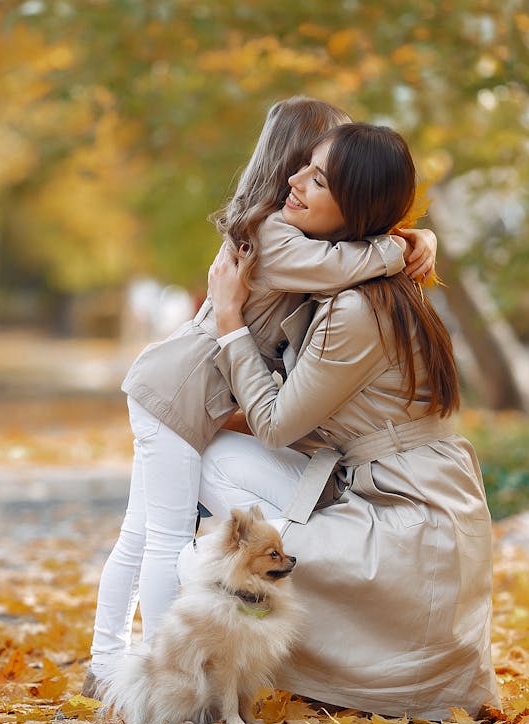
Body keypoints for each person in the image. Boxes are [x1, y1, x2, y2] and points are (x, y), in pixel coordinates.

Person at [85, 97, 439, 693]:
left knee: (141, 533)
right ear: (297, 163)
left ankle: (103, 664)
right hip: (180, 392)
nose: (317, 179)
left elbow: (337, 253)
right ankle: (152, 674)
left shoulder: (269, 227)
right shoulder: (273, 232)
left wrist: (412, 232)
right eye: (323, 166)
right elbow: (336, 268)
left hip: (177, 389)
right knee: (165, 537)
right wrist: (403, 246)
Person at [196, 121, 500, 720]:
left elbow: (279, 425)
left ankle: (231, 675)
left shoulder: (359, 307)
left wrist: (230, 321)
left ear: (355, 205)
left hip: (407, 522)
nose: (294, 182)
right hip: (405, 493)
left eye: (320, 180)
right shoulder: (376, 283)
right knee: (218, 473)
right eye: (303, 168)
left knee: (211, 551)